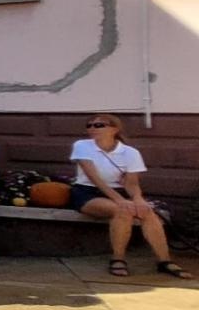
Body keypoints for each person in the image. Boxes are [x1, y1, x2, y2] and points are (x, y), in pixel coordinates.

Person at [70, 114, 191, 279]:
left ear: (114, 129)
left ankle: (165, 261)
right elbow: (94, 178)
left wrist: (138, 199)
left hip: (119, 192)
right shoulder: (82, 145)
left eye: (99, 125)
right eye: (89, 125)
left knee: (147, 212)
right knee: (123, 210)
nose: (92, 128)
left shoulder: (130, 153)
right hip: (87, 191)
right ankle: (118, 258)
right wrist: (121, 201)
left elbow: (132, 183)